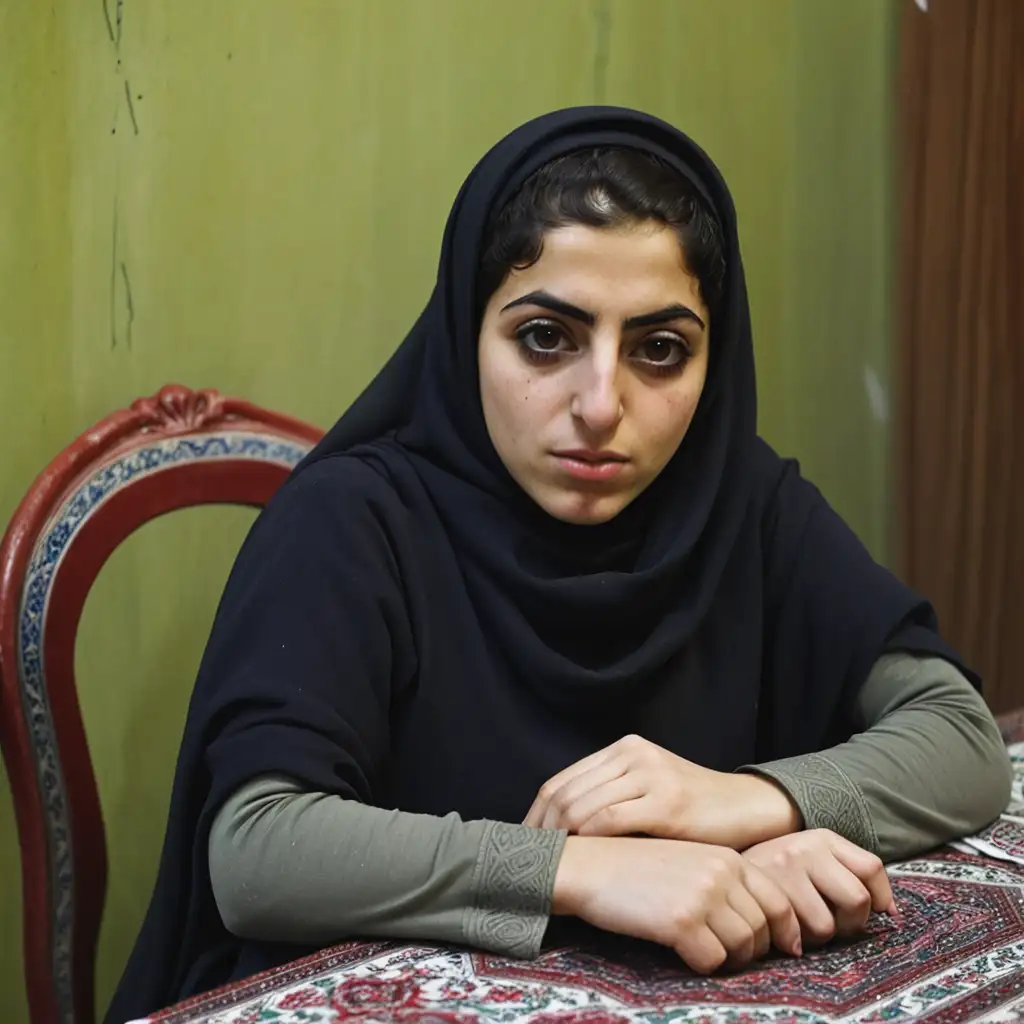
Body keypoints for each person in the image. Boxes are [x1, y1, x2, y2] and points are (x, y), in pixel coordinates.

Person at [105, 107, 1013, 1023]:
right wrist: (584, 870)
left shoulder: (740, 503)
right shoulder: (353, 520)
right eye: (547, 337)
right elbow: (260, 850)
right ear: (468, 330)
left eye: (660, 350)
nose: (600, 405)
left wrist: (740, 803)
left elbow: (961, 740)